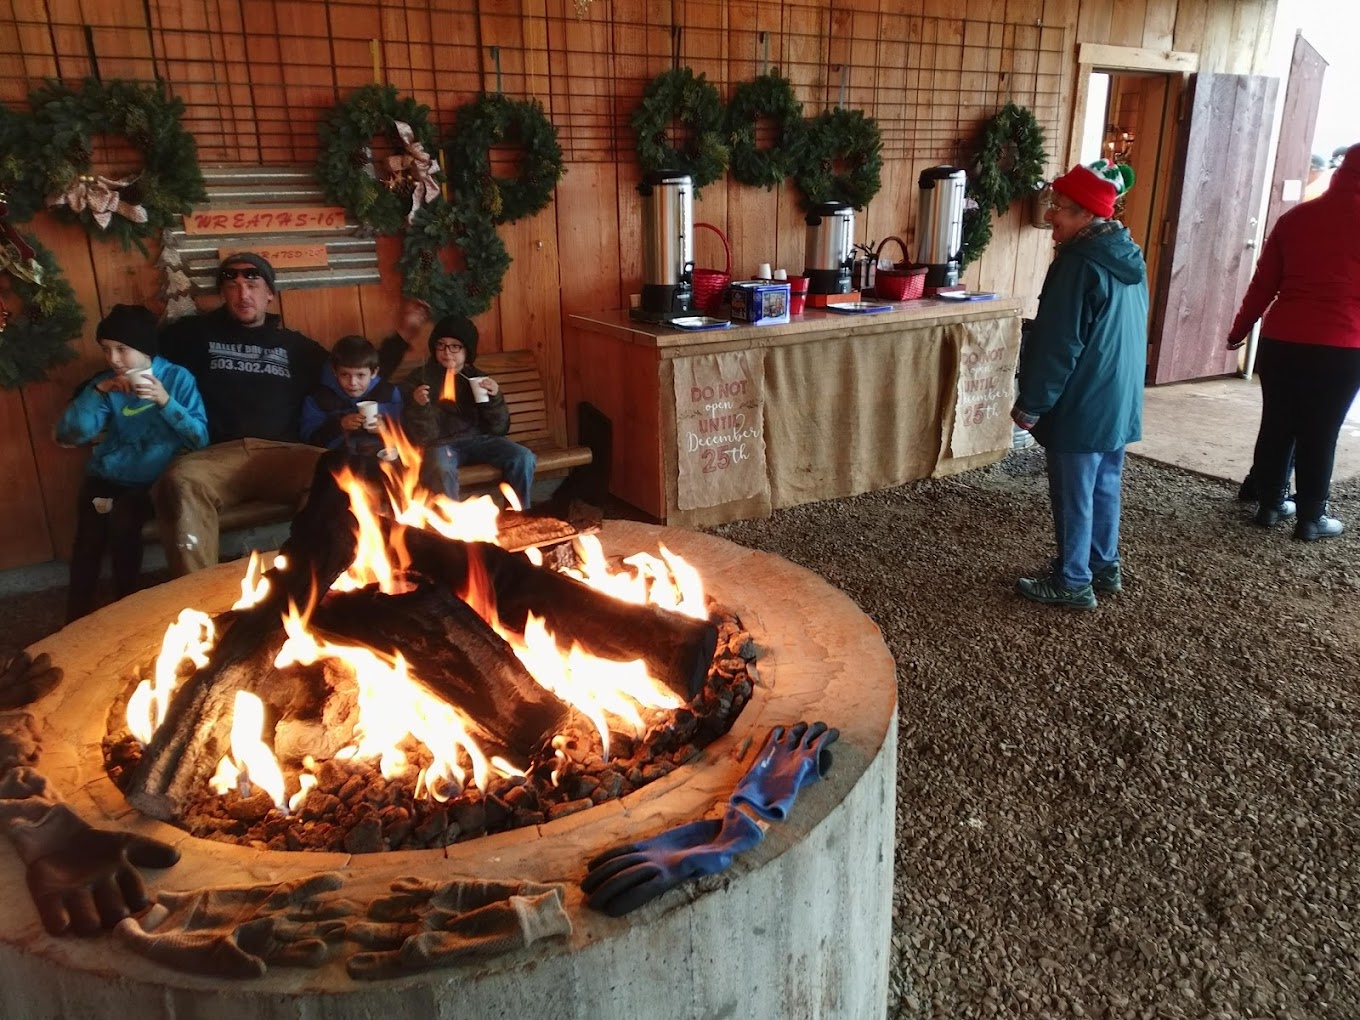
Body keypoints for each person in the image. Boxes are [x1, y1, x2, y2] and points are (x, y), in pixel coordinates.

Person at [1011, 160, 1149, 609]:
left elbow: (1058, 343)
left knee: (1073, 494)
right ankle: (1103, 565)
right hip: (1118, 397)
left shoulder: (1077, 263)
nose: (1050, 214)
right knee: (1104, 484)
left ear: (1087, 214)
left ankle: (1073, 580)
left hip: (1083, 400)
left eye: (1061, 208)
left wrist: (1032, 403)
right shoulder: (1128, 255)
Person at [154, 253, 329, 575]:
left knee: (339, 471)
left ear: (269, 293)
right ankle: (196, 594)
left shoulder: (296, 347)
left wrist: (402, 339)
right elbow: (136, 352)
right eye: (232, 286)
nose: (243, 294)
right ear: (223, 294)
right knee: (180, 482)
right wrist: (99, 387)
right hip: (217, 457)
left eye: (252, 285)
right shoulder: (193, 335)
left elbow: (354, 374)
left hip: (282, 454)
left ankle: (309, 578)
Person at [1225, 142, 1360, 542]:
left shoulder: (1296, 218)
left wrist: (1239, 329)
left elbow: (1263, 283)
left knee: (1277, 423)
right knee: (1321, 430)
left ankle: (1270, 504)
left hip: (1282, 340)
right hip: (1343, 344)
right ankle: (1311, 517)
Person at [56, 304, 208, 620]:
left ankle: (127, 607)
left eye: (122, 349)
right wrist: (98, 390)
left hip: (154, 482)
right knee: (89, 536)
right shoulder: (107, 383)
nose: (113, 359)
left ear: (145, 349)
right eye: (106, 349)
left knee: (123, 522)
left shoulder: (177, 378)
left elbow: (199, 439)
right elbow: (71, 433)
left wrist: (165, 401)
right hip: (108, 477)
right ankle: (75, 617)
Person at [400, 314, 536, 507]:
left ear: (467, 351)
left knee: (523, 457)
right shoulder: (419, 380)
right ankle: (450, 521)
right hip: (441, 445)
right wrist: (418, 406)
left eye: (455, 346)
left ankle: (518, 515)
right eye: (441, 345)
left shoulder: (477, 378)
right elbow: (424, 438)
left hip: (480, 441)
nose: (447, 352)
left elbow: (499, 429)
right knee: (440, 466)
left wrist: (494, 398)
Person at [300, 334, 402, 457]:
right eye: (345, 374)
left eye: (360, 375)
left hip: (381, 457)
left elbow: (405, 436)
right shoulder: (319, 398)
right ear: (334, 371)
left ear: (374, 372)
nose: (353, 383)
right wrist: (340, 425)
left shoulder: (388, 394)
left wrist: (384, 430)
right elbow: (309, 439)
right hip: (338, 459)